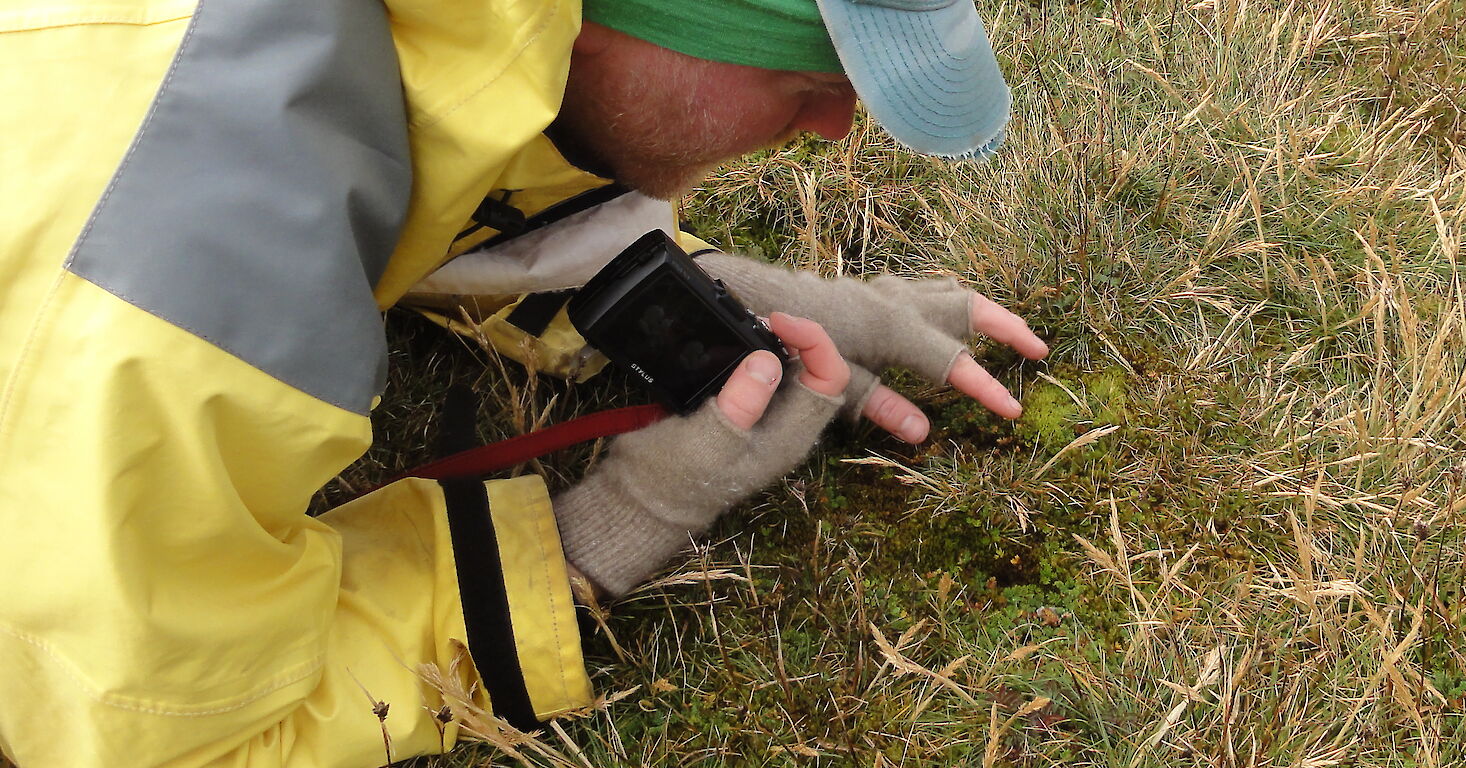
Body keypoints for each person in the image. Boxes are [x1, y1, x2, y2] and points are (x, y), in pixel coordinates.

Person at [0, 0, 1046, 764]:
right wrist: (609, 528)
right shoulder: (182, 274)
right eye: (805, 75)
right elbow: (168, 732)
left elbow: (430, 114)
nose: (832, 128)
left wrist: (673, 284)